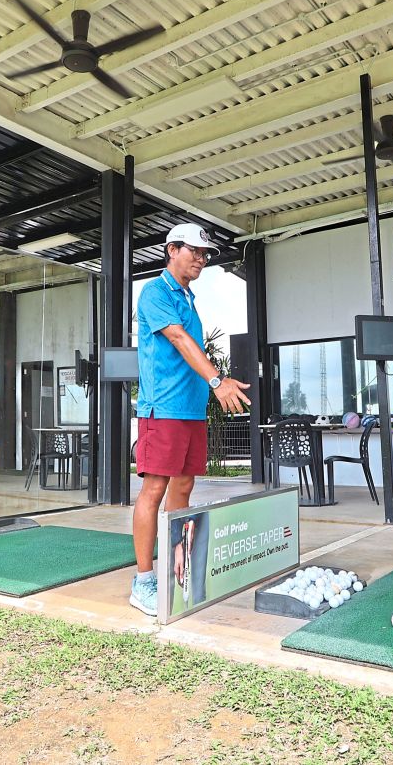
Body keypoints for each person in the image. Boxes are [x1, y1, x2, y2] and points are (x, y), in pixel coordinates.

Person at [128, 224, 251, 616]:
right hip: (161, 410)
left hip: (190, 412)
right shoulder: (155, 292)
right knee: (155, 489)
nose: (201, 258)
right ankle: (143, 582)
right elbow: (180, 340)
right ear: (171, 250)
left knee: (184, 485)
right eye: (194, 251)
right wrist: (217, 381)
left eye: (205, 254)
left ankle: (174, 568)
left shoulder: (188, 297)